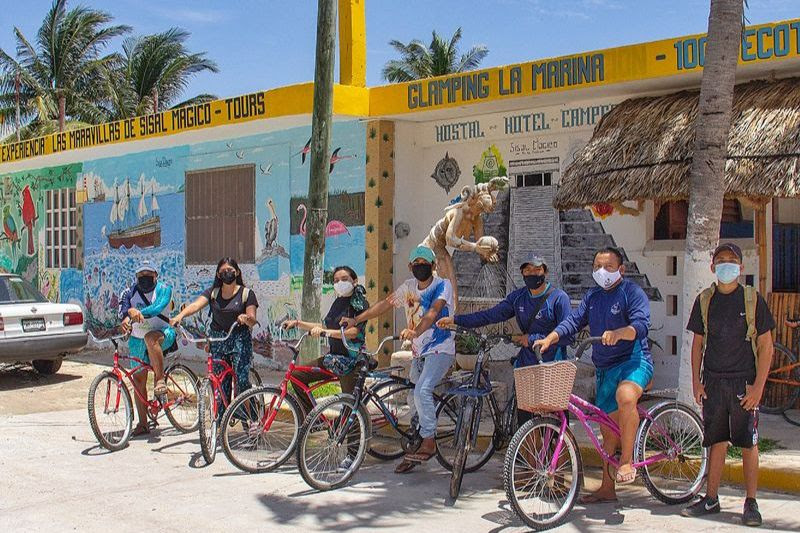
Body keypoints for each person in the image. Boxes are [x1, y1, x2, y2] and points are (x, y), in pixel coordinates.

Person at [534, 246, 652, 502]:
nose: (602, 272)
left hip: (633, 361)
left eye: (608, 267)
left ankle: (628, 461)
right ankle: (607, 489)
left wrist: (621, 332)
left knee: (626, 397)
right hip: (605, 367)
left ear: (621, 269)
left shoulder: (631, 292)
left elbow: (642, 324)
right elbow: (574, 321)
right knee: (607, 432)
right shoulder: (593, 297)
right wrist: (551, 338)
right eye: (597, 267)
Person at [681, 243, 774, 527]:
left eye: (732, 261)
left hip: (744, 383)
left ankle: (751, 502)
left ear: (741, 267)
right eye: (720, 261)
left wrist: (758, 388)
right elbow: (697, 345)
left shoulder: (752, 299)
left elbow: (766, 345)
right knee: (716, 441)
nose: (726, 265)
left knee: (748, 442)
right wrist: (696, 382)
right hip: (713, 382)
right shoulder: (704, 300)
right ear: (712, 267)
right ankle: (711, 498)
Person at [341, 245, 455, 474]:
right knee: (413, 397)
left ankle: (429, 440)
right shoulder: (409, 287)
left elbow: (433, 312)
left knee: (422, 390)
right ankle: (415, 446)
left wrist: (416, 331)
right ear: (410, 267)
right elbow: (384, 305)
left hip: (440, 348)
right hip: (419, 351)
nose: (420, 267)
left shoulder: (443, 285)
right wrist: (358, 320)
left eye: (425, 263)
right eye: (416, 263)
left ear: (433, 266)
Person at [437, 253, 573, 424]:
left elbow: (569, 336)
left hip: (553, 366)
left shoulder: (559, 298)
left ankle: (559, 448)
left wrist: (532, 339)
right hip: (527, 365)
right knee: (526, 419)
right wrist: (456, 320)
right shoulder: (518, 298)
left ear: (545, 273)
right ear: (522, 273)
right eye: (527, 270)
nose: (532, 274)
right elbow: (490, 315)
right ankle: (526, 449)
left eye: (537, 270)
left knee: (555, 419)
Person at [281, 265, 369, 414]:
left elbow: (354, 332)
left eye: (344, 279)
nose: (339, 283)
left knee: (350, 407)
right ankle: (312, 420)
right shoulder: (337, 302)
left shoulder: (359, 304)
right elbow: (324, 325)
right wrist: (298, 323)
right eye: (336, 280)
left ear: (354, 281)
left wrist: (326, 332)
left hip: (352, 361)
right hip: (334, 358)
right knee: (297, 376)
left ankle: (355, 436)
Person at [171, 257, 258, 402]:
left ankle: (251, 419)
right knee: (219, 382)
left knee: (241, 382)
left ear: (237, 272)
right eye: (223, 271)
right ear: (218, 275)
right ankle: (220, 420)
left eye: (230, 270)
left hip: (240, 339)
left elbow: (252, 318)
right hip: (218, 339)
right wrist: (179, 316)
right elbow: (195, 306)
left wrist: (246, 318)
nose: (227, 273)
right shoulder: (213, 293)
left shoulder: (247, 294)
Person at [118, 261, 177, 436]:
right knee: (138, 381)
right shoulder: (128, 293)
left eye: (148, 275)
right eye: (141, 275)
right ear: (136, 277)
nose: (144, 278)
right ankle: (142, 423)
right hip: (136, 339)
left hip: (162, 333)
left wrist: (138, 313)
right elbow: (122, 312)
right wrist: (127, 317)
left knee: (150, 338)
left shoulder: (164, 289)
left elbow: (159, 306)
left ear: (155, 276)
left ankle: (160, 380)